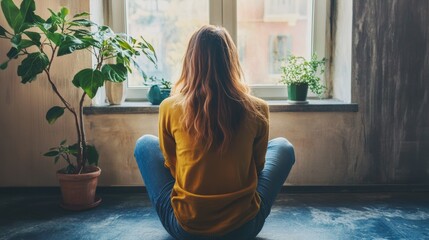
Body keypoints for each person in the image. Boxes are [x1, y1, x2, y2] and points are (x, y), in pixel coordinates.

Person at [134, 25, 295, 240]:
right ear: (231, 61)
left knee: (145, 144)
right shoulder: (257, 108)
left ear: (190, 61)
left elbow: (172, 167)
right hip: (244, 227)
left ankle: (194, 209)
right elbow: (257, 167)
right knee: (284, 147)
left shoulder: (169, 107)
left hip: (186, 228)